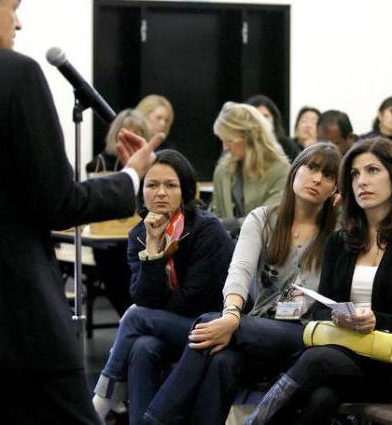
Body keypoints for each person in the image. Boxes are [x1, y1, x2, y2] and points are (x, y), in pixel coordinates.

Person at [0, 0, 162, 424]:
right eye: (14, 8)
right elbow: (57, 201)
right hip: (15, 328)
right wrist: (132, 178)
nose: (19, 22)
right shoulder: (12, 73)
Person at [247, 137, 392, 425]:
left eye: (372, 171)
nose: (361, 181)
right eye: (354, 174)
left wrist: (377, 319)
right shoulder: (340, 240)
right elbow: (319, 309)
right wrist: (341, 317)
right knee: (321, 398)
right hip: (340, 351)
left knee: (316, 362)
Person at [140, 142, 342, 425]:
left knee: (207, 321)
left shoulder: (338, 233)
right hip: (255, 328)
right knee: (222, 360)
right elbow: (240, 271)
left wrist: (231, 321)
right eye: (311, 168)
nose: (317, 179)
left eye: (329, 175)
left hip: (303, 334)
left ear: (336, 188)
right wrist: (233, 314)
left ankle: (153, 420)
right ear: (295, 170)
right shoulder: (262, 219)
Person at [91, 150, 234, 425]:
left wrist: (149, 313)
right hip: (165, 327)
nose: (160, 193)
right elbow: (143, 295)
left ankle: (100, 404)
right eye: (152, 185)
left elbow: (196, 299)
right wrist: (154, 248)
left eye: (171, 185)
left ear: (185, 190)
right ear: (141, 191)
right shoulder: (138, 234)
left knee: (134, 316)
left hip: (209, 326)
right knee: (142, 346)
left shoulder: (207, 229)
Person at [84, 108, 154, 316]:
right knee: (113, 263)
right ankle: (129, 318)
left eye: (138, 133)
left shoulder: (153, 164)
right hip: (110, 241)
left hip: (143, 235)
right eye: (126, 134)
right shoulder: (101, 162)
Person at [209, 102, 290, 236]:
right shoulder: (222, 171)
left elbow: (271, 218)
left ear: (249, 137)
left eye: (229, 141)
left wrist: (227, 225)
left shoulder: (281, 170)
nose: (225, 148)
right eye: (223, 141)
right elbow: (214, 214)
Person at [86, 108, 152, 174]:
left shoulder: (150, 163)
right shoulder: (100, 164)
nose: (131, 138)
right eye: (126, 134)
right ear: (115, 135)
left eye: (137, 133)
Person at [246, 94, 301, 162]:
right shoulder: (242, 145)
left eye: (266, 116)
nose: (262, 121)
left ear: (274, 118)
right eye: (258, 116)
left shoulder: (287, 145)